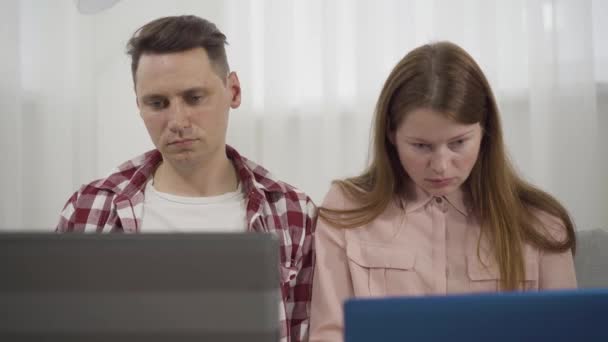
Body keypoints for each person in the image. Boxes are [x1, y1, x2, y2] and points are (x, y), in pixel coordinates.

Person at [56, 15, 316, 342]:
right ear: (138, 104)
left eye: (194, 98)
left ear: (233, 91)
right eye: (158, 103)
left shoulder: (293, 214)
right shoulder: (88, 209)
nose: (177, 121)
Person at [309, 41, 577, 341]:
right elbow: (328, 332)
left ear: (485, 130)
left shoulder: (541, 223)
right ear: (391, 135)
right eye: (421, 146)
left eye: (458, 143)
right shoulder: (346, 209)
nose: (440, 165)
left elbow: (567, 332)